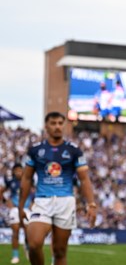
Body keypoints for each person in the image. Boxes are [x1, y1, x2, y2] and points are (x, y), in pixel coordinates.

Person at [19, 111, 97, 265]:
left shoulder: (74, 150)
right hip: (42, 201)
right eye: (53, 123)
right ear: (46, 126)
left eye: (60, 123)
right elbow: (26, 178)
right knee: (34, 244)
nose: (57, 127)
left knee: (60, 252)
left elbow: (84, 179)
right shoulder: (35, 150)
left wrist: (91, 204)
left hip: (65, 203)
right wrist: (21, 206)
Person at [1, 163, 33, 264]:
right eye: (17, 170)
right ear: (14, 172)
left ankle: (27, 247)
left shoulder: (29, 181)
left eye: (20, 170)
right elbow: (1, 191)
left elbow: (33, 193)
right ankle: (15, 256)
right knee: (15, 232)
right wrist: (5, 202)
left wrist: (32, 204)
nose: (19, 172)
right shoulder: (11, 182)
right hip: (14, 209)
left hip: (26, 209)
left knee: (28, 231)